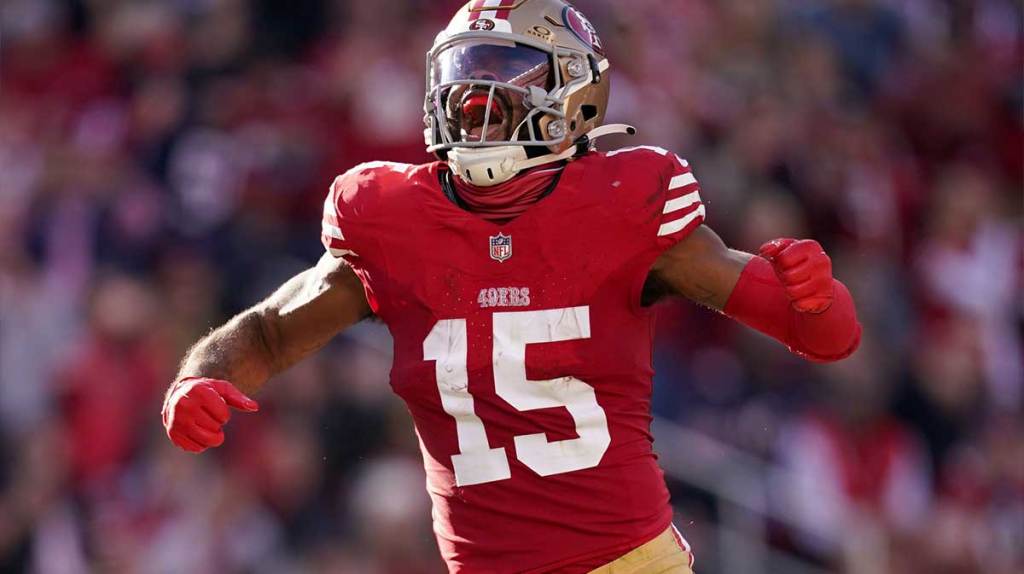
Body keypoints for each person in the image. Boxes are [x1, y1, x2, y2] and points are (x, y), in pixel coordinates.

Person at [161, 1, 861, 572]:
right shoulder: (388, 218)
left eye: (503, 69)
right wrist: (200, 376)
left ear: (575, 91)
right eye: (462, 71)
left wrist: (815, 299)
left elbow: (825, 343)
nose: (474, 94)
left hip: (624, 562)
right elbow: (271, 330)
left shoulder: (625, 201)